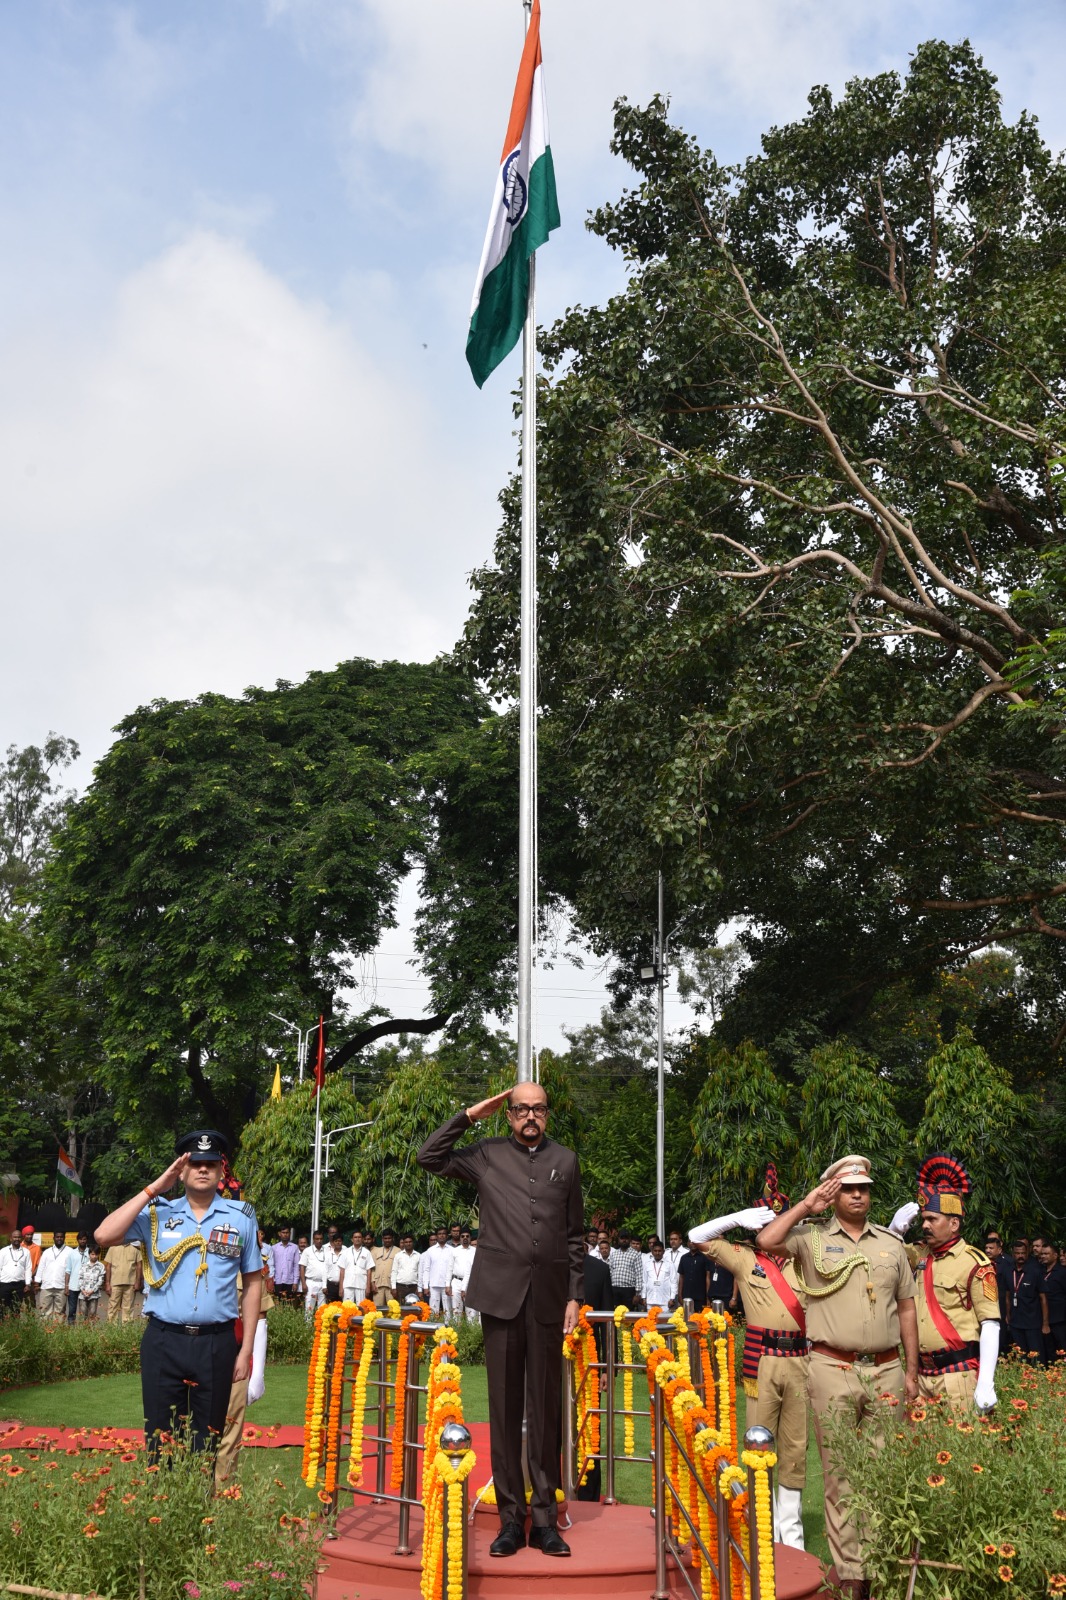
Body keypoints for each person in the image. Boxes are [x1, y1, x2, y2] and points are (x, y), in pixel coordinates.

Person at [418, 1081, 583, 1559]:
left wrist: (575, 1295)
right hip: (501, 1297)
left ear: (547, 1115)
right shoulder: (486, 1154)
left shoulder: (566, 1161)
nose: (530, 1117)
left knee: (546, 1408)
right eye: (520, 1110)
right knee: (505, 1411)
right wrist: (471, 1114)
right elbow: (429, 1156)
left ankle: (546, 1521)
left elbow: (574, 1237)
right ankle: (510, 1520)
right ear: (508, 1115)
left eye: (538, 1110)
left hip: (550, 1300)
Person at [757, 1155, 918, 1600]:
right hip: (832, 1367)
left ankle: (880, 1560)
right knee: (840, 1473)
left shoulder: (889, 1244)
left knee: (883, 1473)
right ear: (833, 1194)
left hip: (887, 1368)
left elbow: (907, 1307)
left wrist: (912, 1371)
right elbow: (767, 1239)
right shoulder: (810, 1238)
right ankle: (851, 1571)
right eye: (849, 1188)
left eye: (864, 1188)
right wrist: (807, 1205)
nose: (859, 1194)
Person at [94, 1128, 263, 1453]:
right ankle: (162, 1501)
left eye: (211, 1164)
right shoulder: (157, 1213)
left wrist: (246, 1352)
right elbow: (103, 1236)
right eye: (195, 1163)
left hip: (217, 1343)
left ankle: (199, 1502)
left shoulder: (241, 1217)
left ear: (220, 1171)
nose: (203, 1169)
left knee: (207, 1443)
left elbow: (253, 1284)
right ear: (181, 1170)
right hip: (164, 1341)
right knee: (161, 1442)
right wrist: (154, 1189)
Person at [691, 1171, 809, 1551]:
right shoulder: (746, 1259)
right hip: (763, 1360)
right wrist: (735, 1219)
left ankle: (791, 1536)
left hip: (801, 1359)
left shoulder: (805, 1257)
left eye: (782, 1221)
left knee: (795, 1446)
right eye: (768, 1222)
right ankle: (763, 1527)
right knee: (759, 1442)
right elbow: (696, 1237)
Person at [890, 1156, 1000, 1412]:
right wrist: (894, 1231)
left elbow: (991, 1324)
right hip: (920, 1375)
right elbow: (880, 1261)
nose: (925, 1225)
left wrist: (985, 1382)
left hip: (958, 1376)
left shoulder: (975, 1262)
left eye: (933, 1219)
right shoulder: (917, 1254)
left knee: (962, 1449)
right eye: (924, 1219)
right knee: (922, 1451)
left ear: (954, 1223)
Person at [1007, 1238, 1044, 1362]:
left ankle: (1039, 1378)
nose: (1020, 1256)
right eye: (1017, 1253)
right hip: (1015, 1321)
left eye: (1023, 1253)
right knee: (1020, 1355)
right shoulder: (1008, 1271)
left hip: (1032, 1321)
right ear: (1013, 1254)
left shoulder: (1036, 1271)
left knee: (1036, 1355)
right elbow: (1007, 1295)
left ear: (1027, 1253)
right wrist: (1008, 1316)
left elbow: (1043, 1298)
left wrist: (1045, 1323)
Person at [34, 1231, 73, 1320]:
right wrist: (37, 1283)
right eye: (57, 1237)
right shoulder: (47, 1252)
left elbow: (72, 1269)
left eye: (61, 1237)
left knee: (60, 1312)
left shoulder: (70, 1251)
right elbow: (41, 1268)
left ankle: (58, 1332)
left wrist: (69, 1285)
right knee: (44, 1311)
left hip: (61, 1286)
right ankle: (44, 1332)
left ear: (64, 1238)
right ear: (53, 1238)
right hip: (47, 1286)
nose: (59, 1239)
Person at [104, 1236, 143, 1323]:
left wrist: (138, 1282)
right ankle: (111, 1329)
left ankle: (126, 1332)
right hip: (114, 1283)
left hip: (130, 1284)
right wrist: (107, 1283)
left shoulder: (135, 1249)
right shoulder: (113, 1248)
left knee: (128, 1309)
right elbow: (108, 1266)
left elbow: (139, 1266)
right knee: (112, 1308)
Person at [1039, 1241, 1066, 1360]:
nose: (1043, 1256)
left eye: (1047, 1254)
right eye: (1042, 1254)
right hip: (1043, 1319)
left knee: (1062, 1349)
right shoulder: (1040, 1271)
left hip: (1060, 1320)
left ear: (1055, 1256)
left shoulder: (1062, 1272)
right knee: (1049, 1351)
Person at [419, 1226, 453, 1317]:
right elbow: (426, 1269)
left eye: (443, 1234)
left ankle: (448, 1328)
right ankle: (434, 1329)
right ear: (437, 1236)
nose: (441, 1236)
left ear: (447, 1236)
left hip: (447, 1285)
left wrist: (449, 1284)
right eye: (439, 1234)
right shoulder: (430, 1251)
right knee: (433, 1310)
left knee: (448, 1310)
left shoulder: (452, 1250)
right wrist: (426, 1286)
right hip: (433, 1285)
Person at [606, 1229, 642, 1310]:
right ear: (618, 1239)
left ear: (629, 1240)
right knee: (615, 1314)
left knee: (628, 1316)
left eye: (626, 1238)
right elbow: (610, 1272)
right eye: (622, 1238)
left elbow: (639, 1274)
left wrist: (637, 1294)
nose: (624, 1240)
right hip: (615, 1289)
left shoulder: (635, 1254)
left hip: (629, 1290)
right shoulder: (614, 1254)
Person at [639, 1239, 677, 1311]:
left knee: (664, 1321)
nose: (657, 1253)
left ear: (663, 1251)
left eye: (659, 1251)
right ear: (652, 1252)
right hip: (650, 1300)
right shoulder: (647, 1264)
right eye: (655, 1251)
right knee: (650, 1321)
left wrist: (672, 1298)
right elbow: (644, 1282)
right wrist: (643, 1297)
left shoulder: (669, 1264)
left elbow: (673, 1282)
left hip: (665, 1301)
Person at [0, 1231, 32, 1316]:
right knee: (2, 1309)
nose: (16, 1239)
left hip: (19, 1285)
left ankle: (14, 1328)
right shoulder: (3, 1251)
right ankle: (3, 1328)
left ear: (21, 1238)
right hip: (4, 1284)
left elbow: (28, 1268)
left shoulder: (26, 1252)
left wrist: (28, 1284)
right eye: (15, 1237)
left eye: (18, 1237)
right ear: (11, 1238)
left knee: (16, 1310)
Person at [449, 1228, 478, 1322]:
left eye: (467, 1236)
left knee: (471, 1311)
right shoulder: (454, 1251)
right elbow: (449, 1269)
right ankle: (457, 1333)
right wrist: (447, 1285)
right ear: (460, 1238)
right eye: (462, 1236)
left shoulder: (475, 1251)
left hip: (471, 1283)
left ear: (470, 1238)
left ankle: (472, 1333)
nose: (465, 1238)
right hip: (456, 1282)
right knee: (456, 1310)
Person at [300, 1230, 328, 1318]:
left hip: (323, 1283)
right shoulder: (307, 1251)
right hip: (310, 1282)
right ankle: (307, 1329)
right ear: (313, 1239)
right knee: (309, 1306)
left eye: (320, 1239)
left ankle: (320, 1328)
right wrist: (303, 1283)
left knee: (322, 1308)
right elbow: (302, 1267)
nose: (319, 1241)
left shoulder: (327, 1251)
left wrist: (325, 1285)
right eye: (317, 1239)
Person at [343, 1229, 375, 1304]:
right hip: (348, 1284)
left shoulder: (367, 1252)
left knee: (361, 1307)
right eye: (355, 1237)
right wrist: (341, 1288)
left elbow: (369, 1271)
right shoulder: (346, 1252)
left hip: (361, 1285)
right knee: (347, 1307)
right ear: (352, 1239)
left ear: (362, 1239)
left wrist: (368, 1287)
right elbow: (342, 1271)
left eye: (359, 1237)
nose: (357, 1239)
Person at [271, 1226, 301, 1303]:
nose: (285, 1234)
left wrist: (295, 1282)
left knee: (289, 1304)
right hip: (277, 1281)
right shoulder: (274, 1248)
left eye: (287, 1233)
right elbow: (272, 1265)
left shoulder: (294, 1247)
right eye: (283, 1233)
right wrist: (272, 1280)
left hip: (289, 1281)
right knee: (278, 1304)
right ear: (280, 1234)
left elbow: (296, 1266)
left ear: (289, 1234)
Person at [66, 1231, 90, 1324]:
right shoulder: (72, 1253)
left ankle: (83, 1330)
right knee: (72, 1310)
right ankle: (71, 1330)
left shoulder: (90, 1252)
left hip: (85, 1286)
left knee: (84, 1311)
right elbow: (68, 1270)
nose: (82, 1241)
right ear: (77, 1240)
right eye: (80, 1239)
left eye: (84, 1239)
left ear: (86, 1240)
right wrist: (66, 1286)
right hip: (73, 1286)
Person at [372, 1229, 399, 1309]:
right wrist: (372, 1284)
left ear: (393, 1239)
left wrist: (395, 1287)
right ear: (382, 1239)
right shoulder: (376, 1251)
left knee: (392, 1310)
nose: (387, 1240)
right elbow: (372, 1269)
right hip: (378, 1286)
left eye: (389, 1238)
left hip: (391, 1286)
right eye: (385, 1238)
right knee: (377, 1309)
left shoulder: (398, 1251)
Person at [391, 1232, 421, 1301]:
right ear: (403, 1243)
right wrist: (393, 1288)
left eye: (410, 1241)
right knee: (400, 1309)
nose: (408, 1243)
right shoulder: (398, 1256)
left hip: (413, 1287)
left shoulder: (418, 1256)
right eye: (406, 1242)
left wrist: (419, 1289)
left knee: (413, 1310)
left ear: (413, 1242)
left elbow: (420, 1274)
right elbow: (394, 1272)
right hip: (400, 1287)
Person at [78, 1246, 106, 1319]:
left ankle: (91, 1330)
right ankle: (83, 1330)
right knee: (82, 1314)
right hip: (83, 1294)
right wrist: (83, 1290)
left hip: (94, 1294)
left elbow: (100, 1280)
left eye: (96, 1254)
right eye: (92, 1254)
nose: (94, 1256)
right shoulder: (84, 1265)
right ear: (89, 1254)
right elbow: (80, 1278)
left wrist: (92, 1291)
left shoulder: (101, 1266)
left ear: (98, 1255)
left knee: (92, 1314)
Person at [324, 1232, 351, 1303]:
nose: (338, 1243)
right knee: (330, 1307)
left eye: (339, 1241)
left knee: (343, 1306)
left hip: (343, 1285)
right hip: (331, 1285)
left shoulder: (347, 1253)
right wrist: (324, 1285)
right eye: (336, 1241)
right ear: (333, 1242)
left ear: (342, 1242)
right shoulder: (328, 1254)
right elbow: (324, 1271)